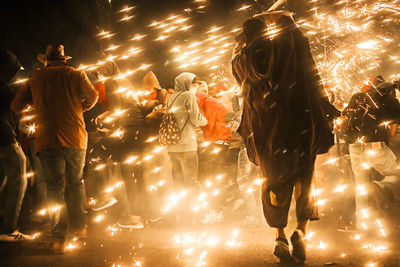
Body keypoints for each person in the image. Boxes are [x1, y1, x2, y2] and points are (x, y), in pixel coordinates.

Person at [232, 12, 339, 262]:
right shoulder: (290, 46)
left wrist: (243, 42)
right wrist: (283, 19)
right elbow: (306, 63)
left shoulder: (244, 58)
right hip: (299, 127)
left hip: (266, 132)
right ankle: (301, 232)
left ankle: (279, 236)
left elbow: (241, 63)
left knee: (272, 184)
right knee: (305, 181)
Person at [11, 44, 99, 253]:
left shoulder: (36, 78)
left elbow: (16, 105)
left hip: (47, 139)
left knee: (54, 188)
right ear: (64, 59)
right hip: (75, 137)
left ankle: (59, 238)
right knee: (76, 182)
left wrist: (36, 104)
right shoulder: (77, 74)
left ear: (46, 60)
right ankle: (80, 226)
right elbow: (93, 97)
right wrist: (80, 107)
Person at [342, 82, 400, 223]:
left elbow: (344, 118)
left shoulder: (357, 97)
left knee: (360, 185)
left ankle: (363, 224)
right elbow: (392, 131)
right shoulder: (389, 100)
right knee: (396, 174)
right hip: (375, 146)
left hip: (354, 145)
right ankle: (379, 186)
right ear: (389, 91)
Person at [165, 73, 207, 223]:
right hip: (187, 145)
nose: (194, 88)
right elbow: (196, 118)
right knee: (190, 182)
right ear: (188, 84)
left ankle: (179, 215)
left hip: (172, 146)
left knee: (178, 182)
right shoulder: (189, 95)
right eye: (193, 84)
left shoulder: (171, 96)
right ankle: (190, 217)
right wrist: (205, 120)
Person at [0, 49, 31, 241]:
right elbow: (21, 99)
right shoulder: (3, 86)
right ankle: (10, 229)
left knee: (2, 178)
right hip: (4, 137)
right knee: (19, 178)